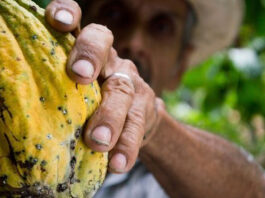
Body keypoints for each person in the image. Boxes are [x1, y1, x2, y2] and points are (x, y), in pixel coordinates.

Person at [44, 0, 265, 197]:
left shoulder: (165, 178)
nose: (135, 42)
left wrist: (153, 126)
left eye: (161, 27)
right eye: (113, 13)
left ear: (181, 66)